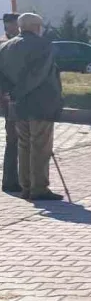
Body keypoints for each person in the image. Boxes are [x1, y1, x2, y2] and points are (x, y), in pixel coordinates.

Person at [0, 13, 63, 200]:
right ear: (36, 26)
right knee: (40, 147)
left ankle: (26, 187)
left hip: (17, 105)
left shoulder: (5, 47)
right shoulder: (43, 45)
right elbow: (38, 75)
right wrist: (18, 92)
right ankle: (39, 188)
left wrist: (10, 93)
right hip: (40, 103)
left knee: (24, 146)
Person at [2, 13, 21, 193]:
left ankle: (18, 178)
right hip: (10, 99)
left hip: (19, 97)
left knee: (18, 139)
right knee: (14, 139)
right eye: (16, 25)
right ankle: (10, 180)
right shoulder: (4, 45)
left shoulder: (18, 43)